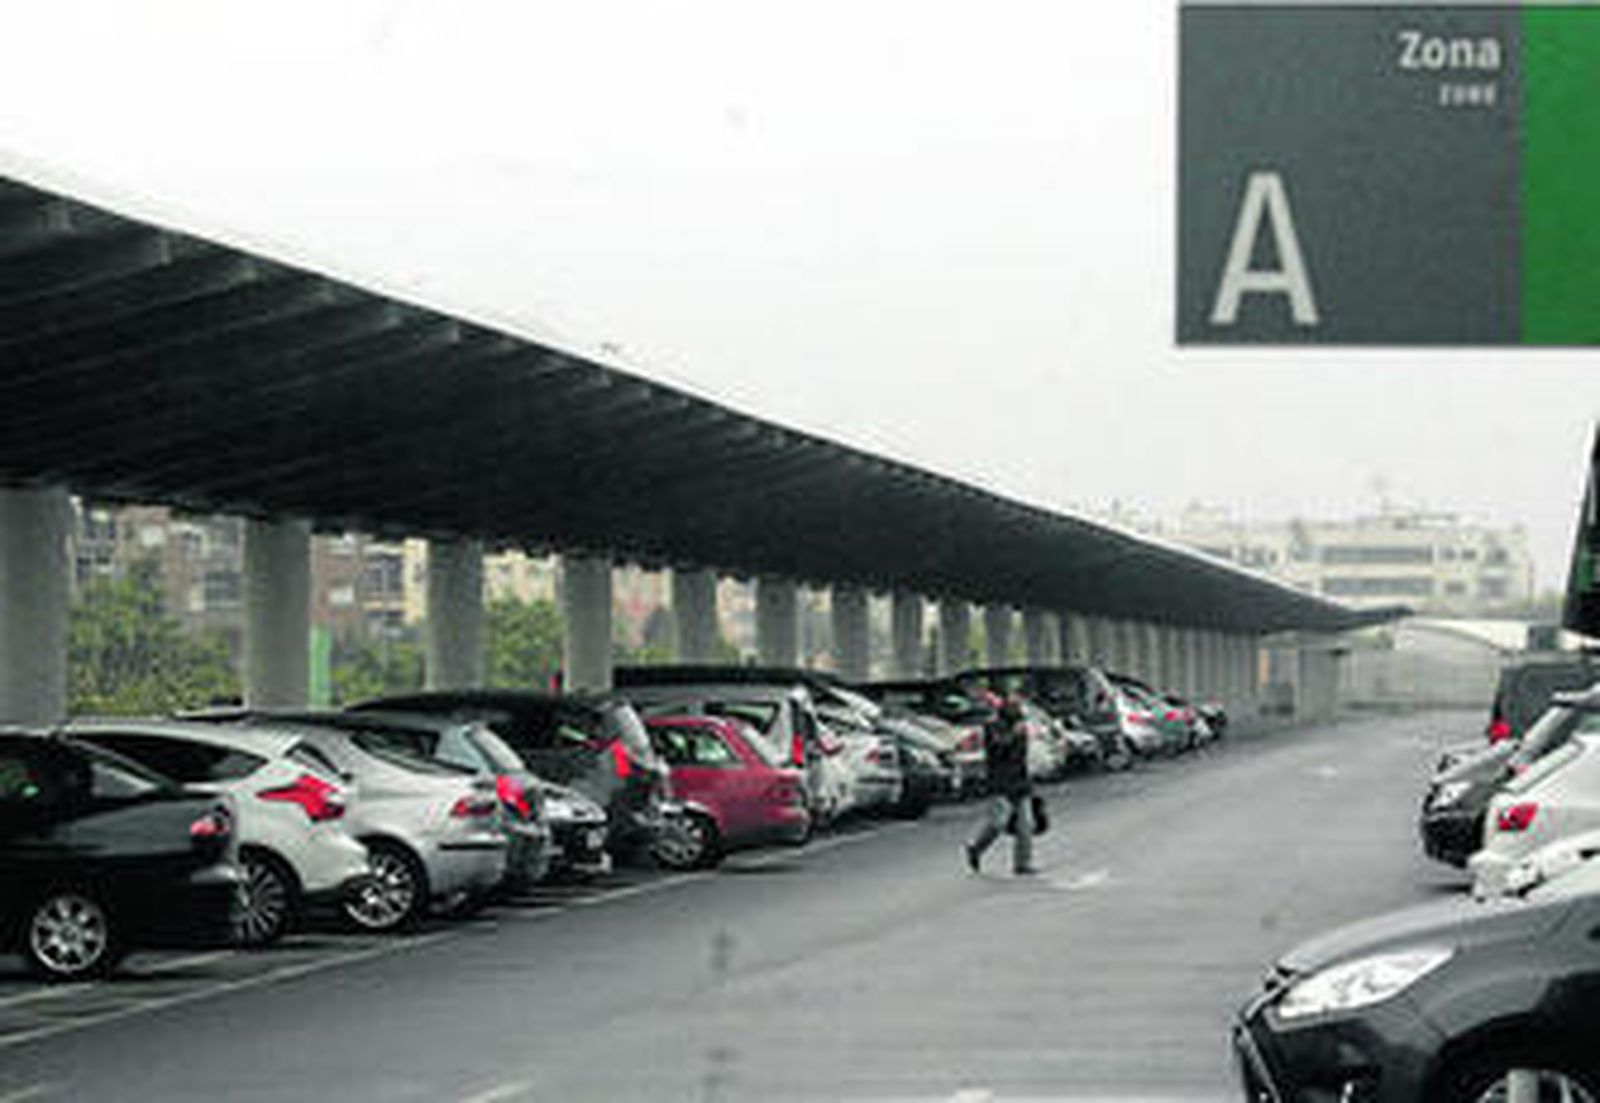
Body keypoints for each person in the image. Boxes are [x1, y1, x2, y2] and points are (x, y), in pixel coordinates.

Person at [964, 695, 1037, 875]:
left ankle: (1022, 864)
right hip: (1000, 782)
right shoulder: (992, 727)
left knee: (1026, 825)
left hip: (1020, 781)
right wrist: (1014, 735)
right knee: (998, 823)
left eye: (1018, 708)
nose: (1018, 712)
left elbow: (1021, 756)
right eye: (1014, 707)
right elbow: (998, 749)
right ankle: (976, 848)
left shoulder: (1021, 727)